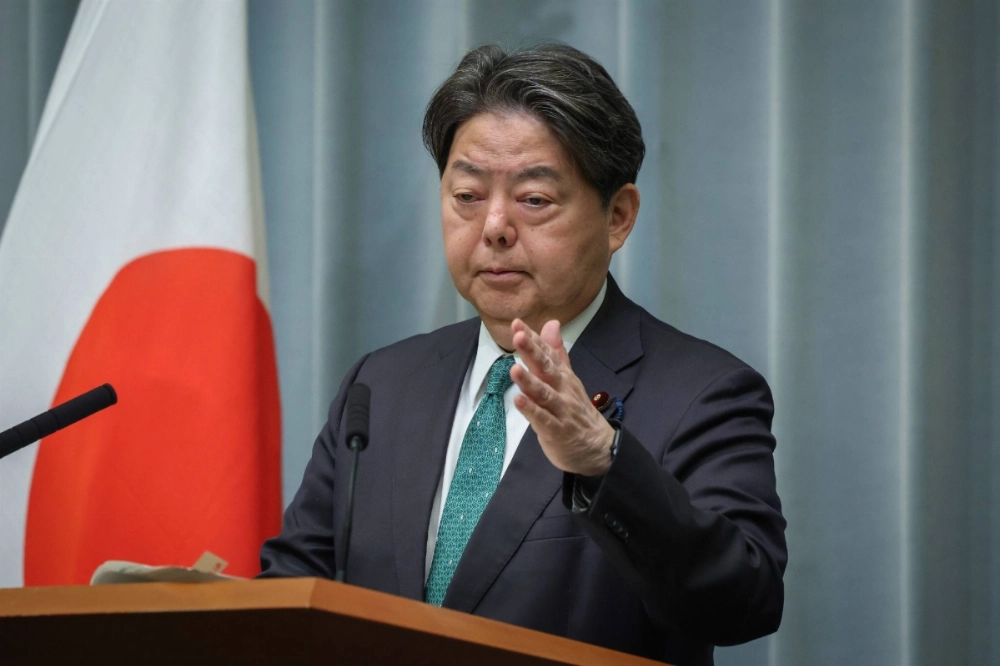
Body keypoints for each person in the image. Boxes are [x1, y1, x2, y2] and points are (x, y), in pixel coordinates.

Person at [259, 43, 786, 666]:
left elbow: (743, 602)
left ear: (617, 216)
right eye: (467, 196)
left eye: (533, 199)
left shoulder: (703, 391)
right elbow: (293, 589)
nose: (494, 226)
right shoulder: (382, 384)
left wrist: (602, 463)